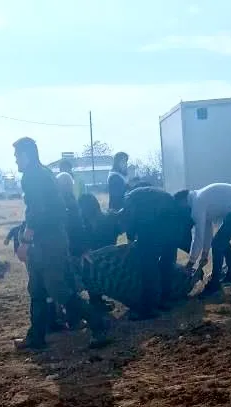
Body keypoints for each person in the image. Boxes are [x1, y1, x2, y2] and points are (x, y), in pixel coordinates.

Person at [12, 137, 109, 350]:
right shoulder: (43, 173)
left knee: (58, 290)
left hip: (48, 242)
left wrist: (25, 242)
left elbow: (37, 211)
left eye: (17, 155)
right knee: (37, 289)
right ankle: (36, 337)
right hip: (49, 240)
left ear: (26, 154)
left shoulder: (32, 176)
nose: (16, 160)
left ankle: (99, 324)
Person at [174, 183, 231, 296]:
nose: (181, 209)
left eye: (179, 206)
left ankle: (215, 284)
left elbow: (198, 236)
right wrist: (204, 255)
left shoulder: (197, 204)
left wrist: (191, 262)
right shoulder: (199, 199)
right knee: (221, 241)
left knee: (218, 244)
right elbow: (207, 231)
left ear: (183, 201)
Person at [120, 186, 183, 319]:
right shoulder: (153, 193)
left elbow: (130, 220)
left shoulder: (129, 199)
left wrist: (130, 240)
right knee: (166, 265)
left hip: (153, 228)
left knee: (148, 268)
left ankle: (147, 309)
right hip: (173, 228)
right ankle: (165, 300)